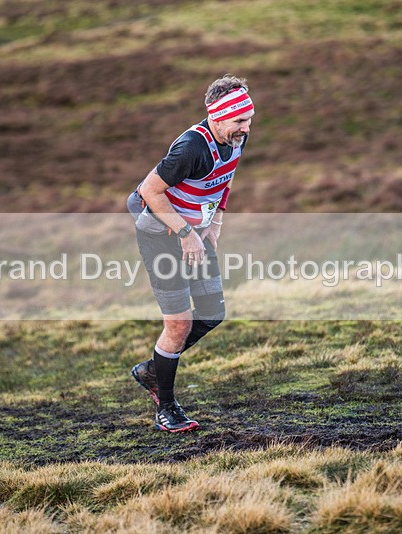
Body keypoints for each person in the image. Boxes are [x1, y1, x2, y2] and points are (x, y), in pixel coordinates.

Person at [127, 74, 254, 432]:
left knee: (212, 313)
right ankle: (166, 409)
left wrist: (215, 222)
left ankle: (154, 369)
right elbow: (149, 191)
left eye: (249, 120)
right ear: (217, 117)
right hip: (160, 233)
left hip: (193, 233)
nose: (246, 128)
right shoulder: (190, 148)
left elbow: (226, 175)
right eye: (239, 121)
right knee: (179, 324)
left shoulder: (236, 137)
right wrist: (185, 233)